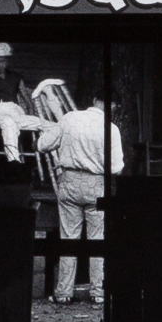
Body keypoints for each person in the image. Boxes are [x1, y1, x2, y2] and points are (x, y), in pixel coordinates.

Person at [42, 94, 124, 305]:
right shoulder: (111, 129)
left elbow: (43, 145)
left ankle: (63, 292)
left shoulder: (69, 118)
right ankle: (98, 292)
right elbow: (117, 167)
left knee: (69, 237)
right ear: (113, 106)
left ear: (94, 100)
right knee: (98, 238)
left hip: (69, 179)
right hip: (96, 183)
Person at [0, 41, 40, 163]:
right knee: (8, 123)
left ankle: (58, 165)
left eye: (3, 61)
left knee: (45, 124)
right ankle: (14, 162)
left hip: (15, 111)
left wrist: (31, 114)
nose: (0, 65)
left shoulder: (16, 76)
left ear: (8, 61)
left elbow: (27, 99)